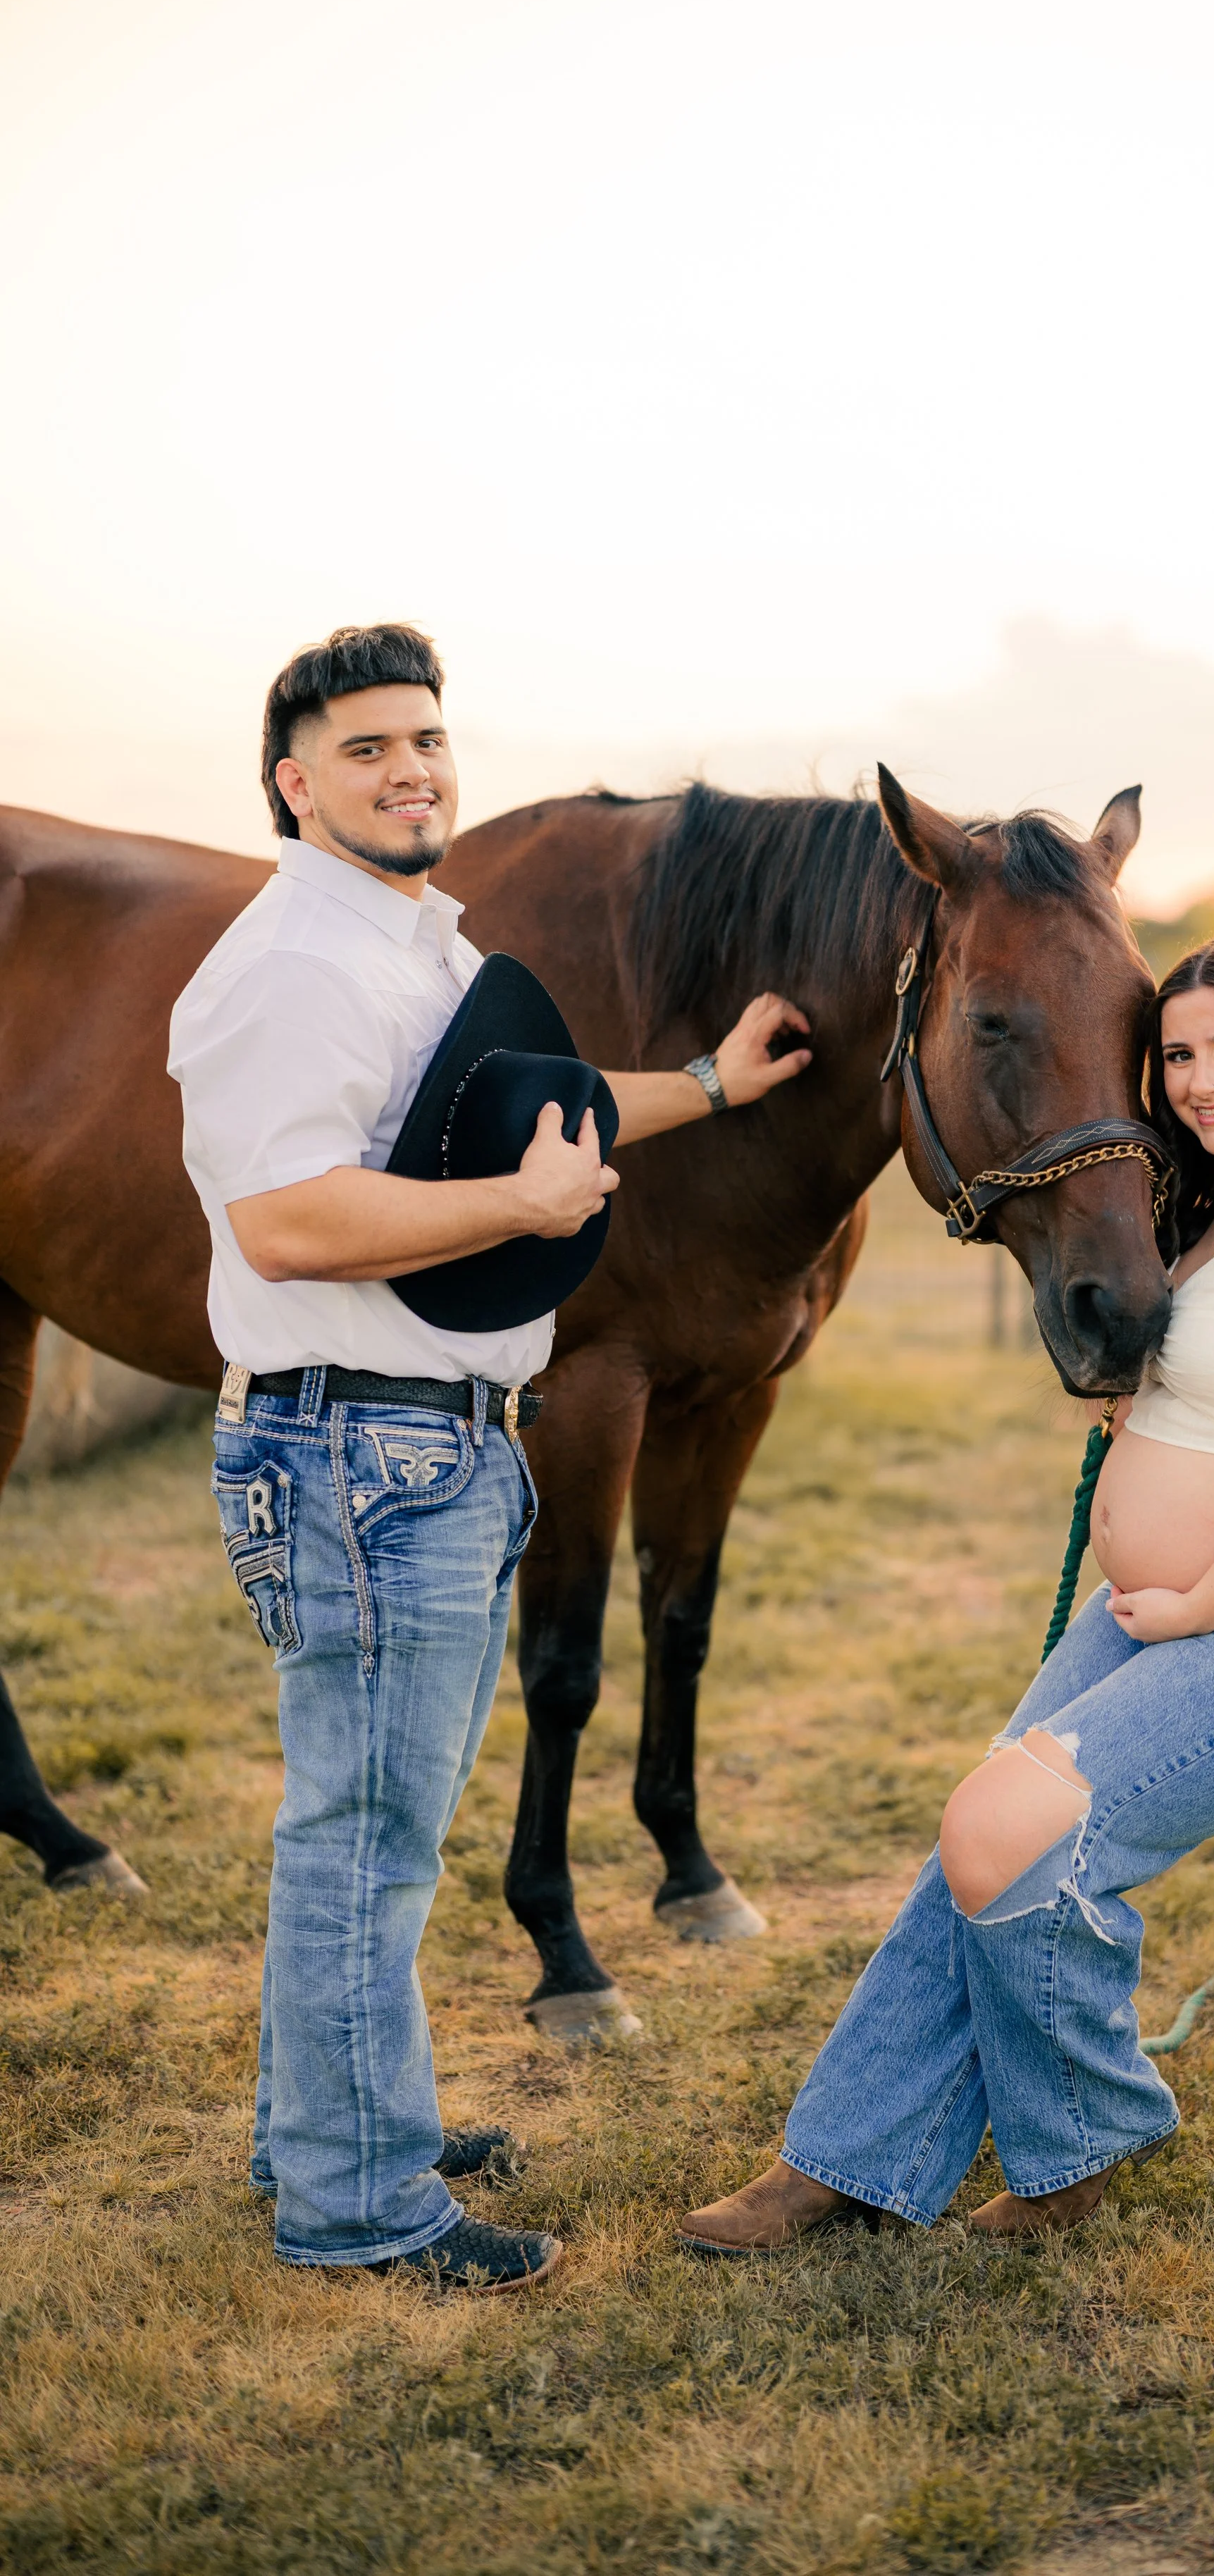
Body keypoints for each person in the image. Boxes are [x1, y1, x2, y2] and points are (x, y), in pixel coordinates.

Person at [168, 624, 811, 2291]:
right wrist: (520, 1212)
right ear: (294, 785)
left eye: (427, 740)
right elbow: (290, 1217)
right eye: (367, 749)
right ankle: (356, 2205)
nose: (411, 770)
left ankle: (333, 2119)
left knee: (375, 1831)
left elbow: (526, 1106)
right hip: (358, 1448)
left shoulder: (406, 946)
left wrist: (701, 1084)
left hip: (418, 1449)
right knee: (360, 1838)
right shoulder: (294, 964)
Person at [679, 934, 1214, 2253]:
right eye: (1180, 1053)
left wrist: (1202, 1598)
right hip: (1184, 1599)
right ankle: (853, 2162)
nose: (1202, 1080)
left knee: (1012, 1837)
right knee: (977, 1842)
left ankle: (1080, 2143)